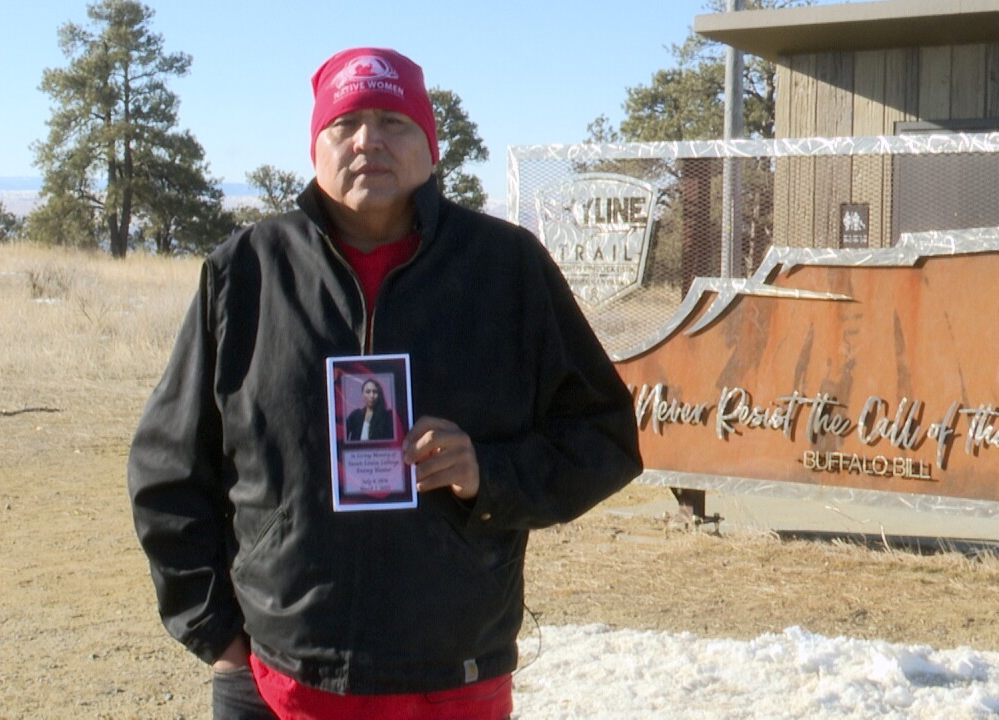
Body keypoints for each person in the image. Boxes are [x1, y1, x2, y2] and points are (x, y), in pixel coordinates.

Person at [127, 47, 643, 720]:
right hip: (281, 680)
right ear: (316, 146)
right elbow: (168, 468)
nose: (369, 139)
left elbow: (604, 438)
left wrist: (488, 473)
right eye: (346, 124)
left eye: (393, 121)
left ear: (431, 146)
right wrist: (218, 636)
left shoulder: (506, 269)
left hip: (452, 677)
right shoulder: (245, 274)